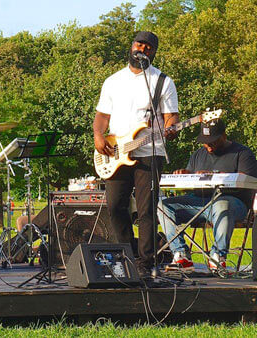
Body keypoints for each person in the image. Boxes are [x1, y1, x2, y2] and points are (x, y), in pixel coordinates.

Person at [93, 31, 180, 276]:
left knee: (146, 210)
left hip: (150, 153)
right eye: (139, 44)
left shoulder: (162, 81)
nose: (142, 49)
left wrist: (171, 129)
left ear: (154, 51)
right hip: (116, 150)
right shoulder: (113, 81)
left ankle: (146, 263)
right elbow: (102, 116)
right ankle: (125, 256)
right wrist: (99, 137)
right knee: (115, 206)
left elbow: (171, 117)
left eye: (148, 47)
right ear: (131, 46)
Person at [158, 120, 257, 273]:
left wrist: (215, 176)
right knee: (164, 205)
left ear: (224, 135)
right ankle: (181, 255)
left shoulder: (242, 153)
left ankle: (218, 256)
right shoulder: (198, 155)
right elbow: (192, 178)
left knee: (221, 204)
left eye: (213, 141)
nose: (209, 146)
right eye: (205, 142)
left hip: (233, 203)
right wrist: (185, 174)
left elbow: (246, 179)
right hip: (199, 203)